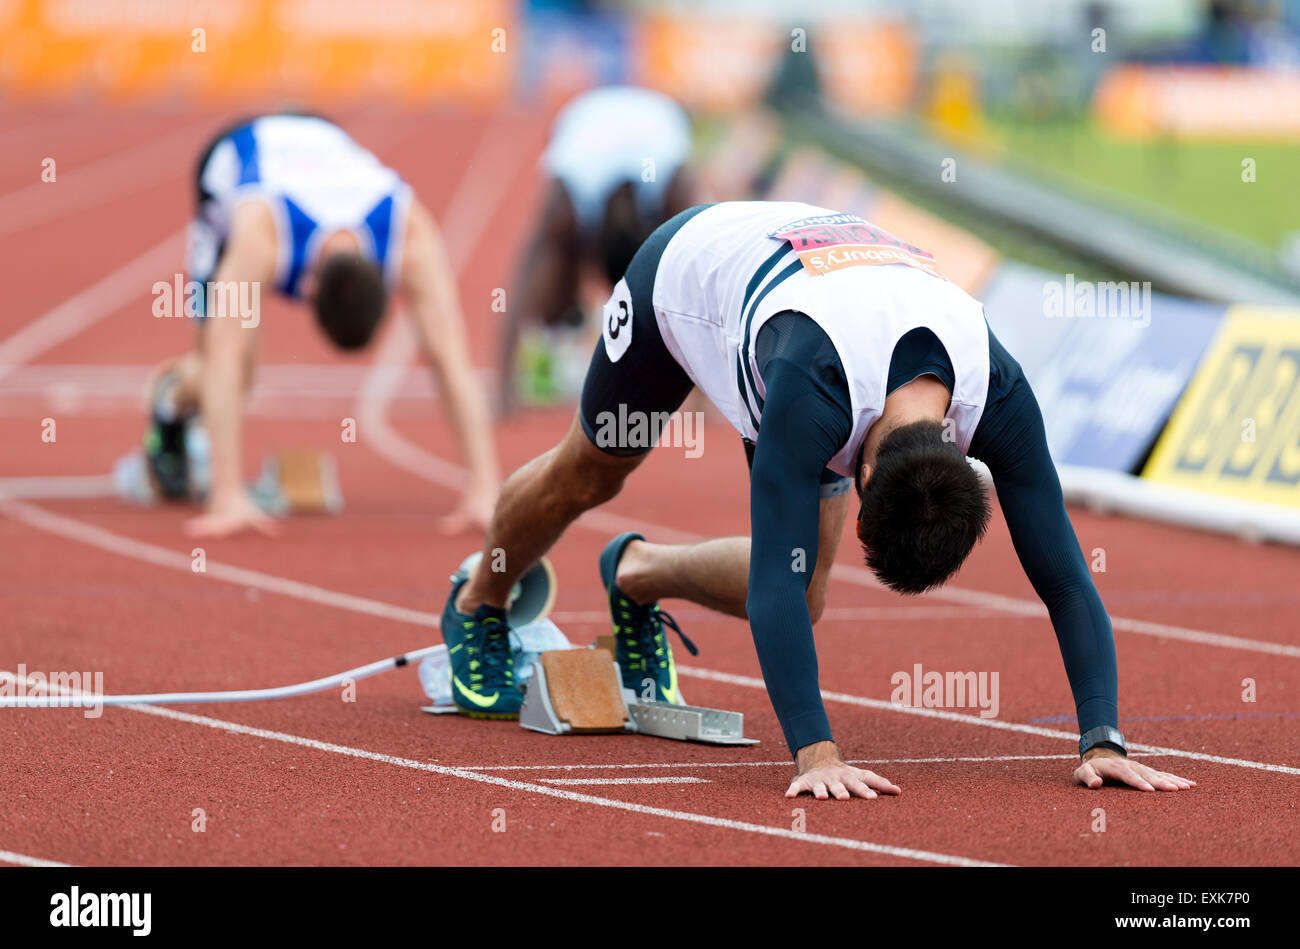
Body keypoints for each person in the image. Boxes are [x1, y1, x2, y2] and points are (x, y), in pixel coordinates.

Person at [442, 200, 1197, 800]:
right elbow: (770, 569)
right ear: (865, 477)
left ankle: (634, 572)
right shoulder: (810, 400)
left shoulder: (996, 391)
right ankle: (479, 601)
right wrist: (816, 751)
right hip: (685, 280)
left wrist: (1104, 738)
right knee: (594, 473)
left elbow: (1065, 577)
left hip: (820, 291)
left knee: (807, 597)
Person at [147, 112, 499, 537]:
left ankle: (197, 433)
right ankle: (169, 403)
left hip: (320, 131)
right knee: (232, 371)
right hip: (231, 157)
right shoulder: (262, 235)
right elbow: (224, 355)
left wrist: (486, 490)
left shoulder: (411, 236)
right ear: (308, 287)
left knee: (443, 344)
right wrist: (228, 496)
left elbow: (450, 360)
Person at [498, 85, 695, 413]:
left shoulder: (672, 183)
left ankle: (565, 320)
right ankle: (564, 313)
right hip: (587, 119)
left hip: (653, 119)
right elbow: (525, 283)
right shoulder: (567, 197)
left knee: (681, 270)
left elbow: (696, 280)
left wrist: (504, 391)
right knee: (555, 280)